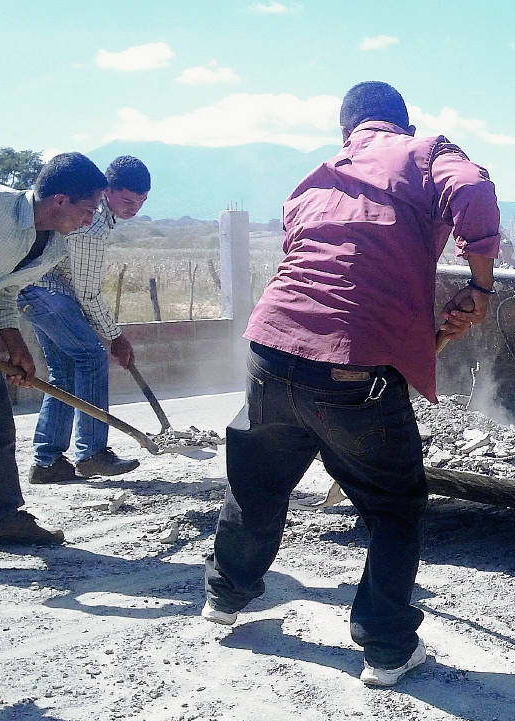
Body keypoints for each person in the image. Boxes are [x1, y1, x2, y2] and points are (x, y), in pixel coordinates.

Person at [201, 82, 500, 688]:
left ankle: (226, 595)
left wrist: (418, 332)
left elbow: (327, 273)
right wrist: (481, 285)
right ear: (401, 122)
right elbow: (472, 190)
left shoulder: (315, 181)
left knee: (257, 479)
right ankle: (387, 648)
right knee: (394, 506)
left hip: (271, 349)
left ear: (347, 131)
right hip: (350, 371)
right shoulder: (424, 152)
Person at [0, 153, 106, 706]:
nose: (90, 220)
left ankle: (0, 519)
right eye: (86, 209)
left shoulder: (52, 246)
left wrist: (14, 349)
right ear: (58, 200)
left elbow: (2, 298)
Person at [19, 156, 151, 483]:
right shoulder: (91, 224)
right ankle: (92, 454)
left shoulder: (96, 219)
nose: (134, 208)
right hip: (43, 289)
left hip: (35, 288)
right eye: (127, 200)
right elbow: (87, 291)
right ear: (107, 191)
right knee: (91, 356)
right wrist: (115, 336)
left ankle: (47, 462)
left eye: (141, 202)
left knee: (64, 372)